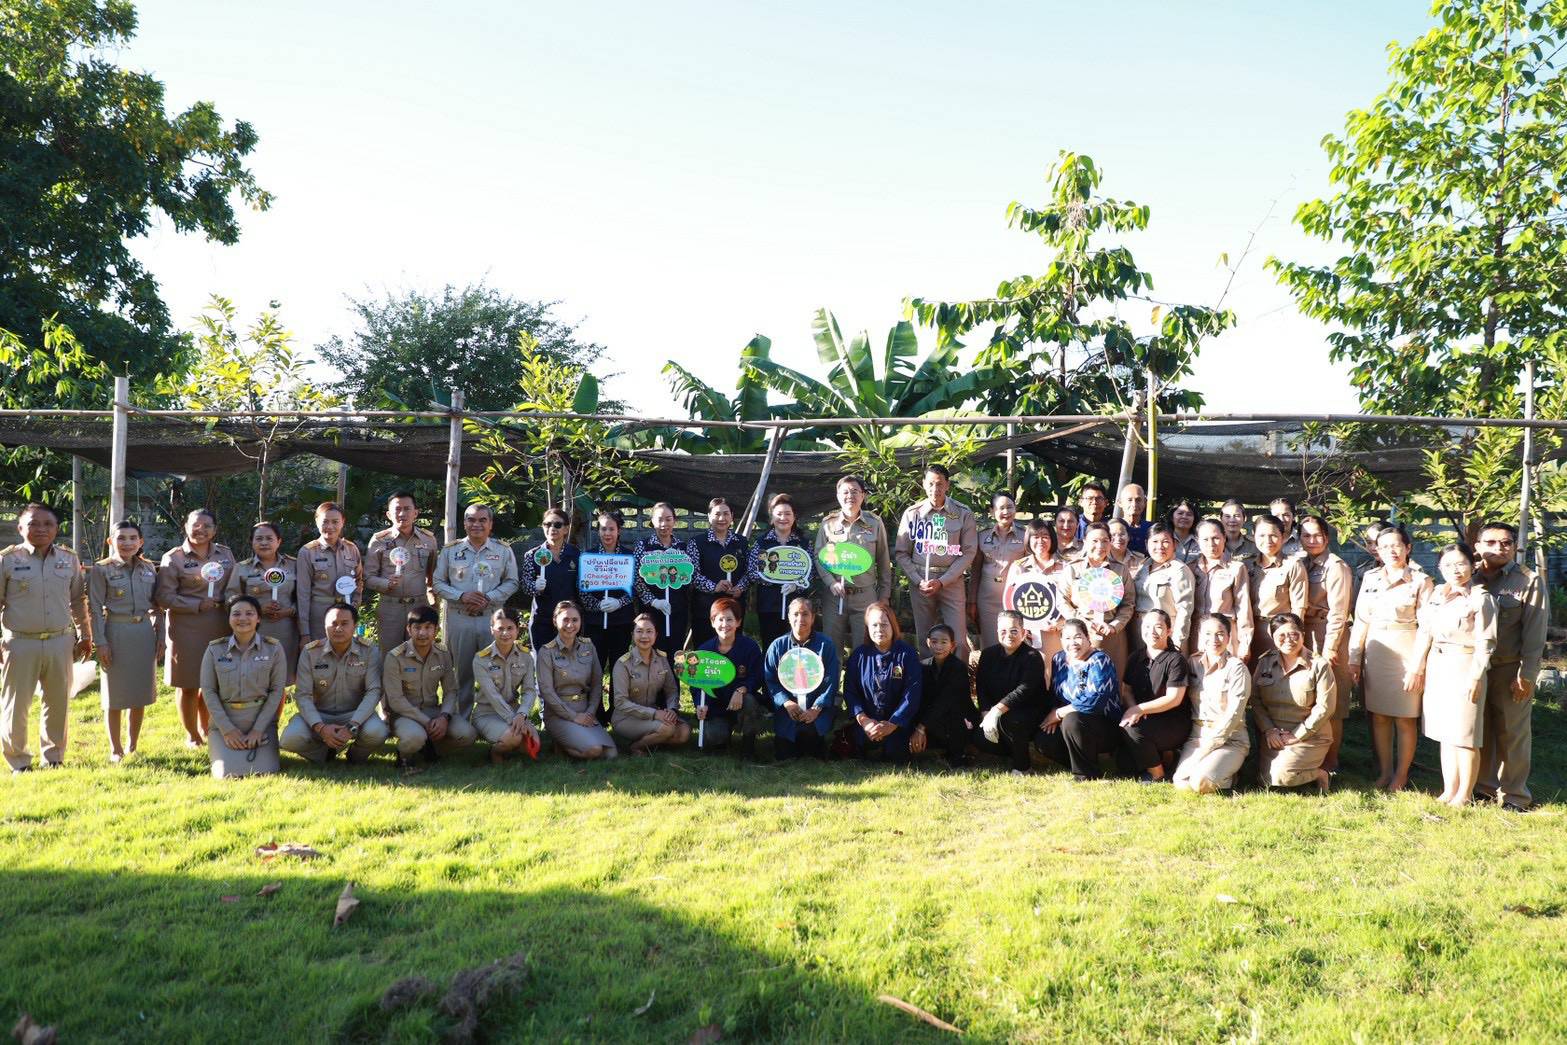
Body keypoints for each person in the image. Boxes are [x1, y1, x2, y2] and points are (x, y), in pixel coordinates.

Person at [1, 504, 89, 773]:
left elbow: (77, 600)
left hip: (60, 641)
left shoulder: (68, 558)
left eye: (47, 524)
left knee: (58, 702)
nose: (41, 529)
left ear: (56, 528)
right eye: (33, 523)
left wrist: (85, 634)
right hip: (19, 643)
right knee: (16, 705)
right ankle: (19, 761)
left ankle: (54, 757)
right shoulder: (7, 559)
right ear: (20, 528)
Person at [1408, 544, 1496, 807]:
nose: (1455, 570)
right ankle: (1449, 789)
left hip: (1466, 665)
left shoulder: (1481, 599)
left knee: (1465, 734)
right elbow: (1425, 632)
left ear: (1472, 565)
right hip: (1439, 665)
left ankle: (1465, 794)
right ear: (1440, 568)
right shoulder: (1436, 594)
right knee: (1445, 733)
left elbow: (1486, 642)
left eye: (1460, 564)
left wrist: (1476, 676)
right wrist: (1417, 666)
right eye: (1448, 565)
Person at [1348, 523, 1433, 792]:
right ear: (1377, 551)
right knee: (1379, 716)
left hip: (1407, 651)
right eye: (1384, 546)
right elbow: (1361, 620)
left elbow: (1427, 627)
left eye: (1397, 545)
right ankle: (1385, 772)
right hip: (1376, 651)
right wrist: (1354, 657)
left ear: (1408, 548)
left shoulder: (1421, 581)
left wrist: (1417, 666)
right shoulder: (1371, 578)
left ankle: (1401, 774)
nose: (1391, 551)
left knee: (1405, 718)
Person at [1473, 522, 1548, 811]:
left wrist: (1527, 675)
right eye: (1491, 542)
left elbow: (1535, 634)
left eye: (1505, 543)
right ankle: (1484, 789)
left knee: (1512, 734)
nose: (1499, 548)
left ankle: (1516, 796)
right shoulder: (1468, 576)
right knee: (1479, 730)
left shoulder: (1527, 581)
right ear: (1478, 545)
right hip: (1473, 669)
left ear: (1514, 546)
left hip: (1509, 669)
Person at [156, 508, 237, 748]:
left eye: (207, 526)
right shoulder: (174, 557)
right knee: (189, 684)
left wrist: (233, 603)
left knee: (214, 684)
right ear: (186, 526)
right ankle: (192, 735)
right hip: (186, 629)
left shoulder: (225, 554)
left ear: (215, 530)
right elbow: (163, 597)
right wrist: (196, 604)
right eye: (195, 525)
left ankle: (209, 728)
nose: (200, 530)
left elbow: (233, 586)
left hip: (221, 627)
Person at [432, 502, 519, 717]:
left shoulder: (503, 550)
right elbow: (437, 583)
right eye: (471, 519)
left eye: (482, 520)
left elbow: (512, 582)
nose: (476, 524)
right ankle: (460, 720)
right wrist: (462, 596)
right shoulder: (451, 550)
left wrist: (488, 598)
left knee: (496, 671)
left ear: (491, 524)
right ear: (464, 523)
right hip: (459, 618)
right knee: (461, 673)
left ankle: (495, 718)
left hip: (492, 620)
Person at [88, 520, 163, 763]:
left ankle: (133, 744)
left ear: (141, 542)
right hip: (116, 632)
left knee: (139, 692)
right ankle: (115, 748)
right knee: (115, 694)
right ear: (111, 541)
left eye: (133, 538)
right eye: (121, 538)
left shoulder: (149, 568)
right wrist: (101, 642)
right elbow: (95, 609)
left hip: (143, 632)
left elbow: (158, 607)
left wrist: (160, 637)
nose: (127, 543)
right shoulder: (102, 569)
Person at [280, 602, 390, 765]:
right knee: (289, 739)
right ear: (325, 626)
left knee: (378, 731)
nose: (338, 628)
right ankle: (324, 754)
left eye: (344, 624)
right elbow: (303, 695)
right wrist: (321, 728)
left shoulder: (369, 651)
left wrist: (352, 725)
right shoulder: (311, 652)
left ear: (354, 626)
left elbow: (374, 691)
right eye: (333, 624)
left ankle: (356, 755)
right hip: (320, 714)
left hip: (354, 714)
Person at [894, 464, 979, 661]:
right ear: (924, 484)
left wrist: (943, 581)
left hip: (951, 581)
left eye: (940, 484)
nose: (935, 489)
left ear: (948, 485)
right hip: (921, 583)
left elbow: (968, 553)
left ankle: (957, 685)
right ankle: (928, 683)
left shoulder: (962, 513)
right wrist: (917, 580)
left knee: (958, 637)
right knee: (925, 637)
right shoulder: (912, 514)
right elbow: (901, 553)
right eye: (931, 484)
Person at [199, 596, 287, 779]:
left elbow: (276, 691)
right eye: (236, 614)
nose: (243, 618)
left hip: (260, 722)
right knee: (225, 774)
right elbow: (208, 691)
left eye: (249, 613)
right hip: (226, 722)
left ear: (258, 618)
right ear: (229, 618)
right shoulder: (215, 650)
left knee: (267, 772)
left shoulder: (274, 649)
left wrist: (258, 729)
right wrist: (227, 730)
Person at [382, 604, 477, 765]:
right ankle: (404, 753)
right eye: (417, 628)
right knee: (415, 737)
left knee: (467, 734)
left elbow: (450, 691)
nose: (422, 633)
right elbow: (396, 700)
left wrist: (444, 717)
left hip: (433, 711)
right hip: (404, 715)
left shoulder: (443, 653)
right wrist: (426, 722)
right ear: (408, 629)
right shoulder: (395, 656)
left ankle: (429, 748)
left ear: (436, 630)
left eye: (428, 627)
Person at [1251, 613, 1335, 792]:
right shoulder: (1265, 662)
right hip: (1274, 737)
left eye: (1294, 634)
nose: (1288, 640)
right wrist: (1269, 730)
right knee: (1265, 780)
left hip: (1310, 736)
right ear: (1272, 637)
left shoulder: (1319, 665)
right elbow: (1256, 700)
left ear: (1303, 634)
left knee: (1281, 776)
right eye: (1281, 635)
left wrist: (1298, 734)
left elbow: (1325, 707)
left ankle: (1320, 774)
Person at [1034, 618, 1124, 781]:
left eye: (1077, 637)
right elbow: (1055, 692)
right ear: (1061, 640)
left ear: (1087, 638)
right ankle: (1081, 763)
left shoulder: (1099, 659)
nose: (1073, 642)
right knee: (1044, 739)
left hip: (1103, 723)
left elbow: (1096, 700)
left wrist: (1060, 713)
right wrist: (1054, 711)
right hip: (1072, 722)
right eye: (1067, 638)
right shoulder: (1058, 659)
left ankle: (1086, 774)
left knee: (1072, 720)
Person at [1172, 615, 1252, 794]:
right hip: (1197, 737)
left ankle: (1230, 776)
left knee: (1200, 782)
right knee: (1181, 783)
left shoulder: (1236, 668)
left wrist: (1210, 745)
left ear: (1229, 637)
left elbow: (1234, 713)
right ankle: (1219, 771)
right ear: (1200, 636)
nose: (1214, 640)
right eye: (1208, 634)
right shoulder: (1193, 663)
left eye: (1220, 634)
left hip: (1230, 739)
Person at [814, 475, 893, 654]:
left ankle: (859, 683)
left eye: (855, 491)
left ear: (863, 495)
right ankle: (833, 682)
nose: (850, 495)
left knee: (864, 648)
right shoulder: (828, 524)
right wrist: (830, 582)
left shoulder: (875, 523)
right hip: (835, 596)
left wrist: (884, 596)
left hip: (865, 596)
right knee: (831, 649)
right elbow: (819, 556)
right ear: (838, 495)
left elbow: (883, 560)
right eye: (845, 492)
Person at [1299, 514, 1354, 774]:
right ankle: (1310, 758)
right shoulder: (1302, 564)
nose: (1312, 540)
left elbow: (1339, 612)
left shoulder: (1336, 566)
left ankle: (1331, 762)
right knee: (1309, 698)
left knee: (1332, 701)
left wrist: (1331, 646)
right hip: (1303, 634)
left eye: (1317, 535)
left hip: (1327, 633)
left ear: (1327, 537)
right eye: (1306, 535)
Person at [844, 601, 922, 763]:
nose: (879, 630)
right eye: (874, 625)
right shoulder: (859, 655)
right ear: (867, 628)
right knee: (860, 748)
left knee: (895, 753)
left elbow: (912, 694)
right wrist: (864, 721)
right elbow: (850, 692)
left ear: (893, 626)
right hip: (867, 722)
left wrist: (892, 723)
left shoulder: (907, 654)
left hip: (897, 723)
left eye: (884, 624)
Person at [764, 595, 841, 760]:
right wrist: (786, 702)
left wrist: (817, 708)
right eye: (796, 614)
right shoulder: (777, 646)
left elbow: (831, 680)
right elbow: (770, 680)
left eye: (805, 614)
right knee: (785, 753)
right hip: (788, 711)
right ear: (789, 617)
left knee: (812, 743)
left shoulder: (825, 645)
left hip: (816, 710)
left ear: (813, 618)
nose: (800, 619)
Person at [1118, 609, 1190, 784]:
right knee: (1123, 763)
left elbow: (1174, 698)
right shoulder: (1135, 657)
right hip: (1145, 718)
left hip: (1172, 722)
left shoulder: (1175, 660)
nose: (1152, 631)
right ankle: (1166, 757)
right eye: (1147, 626)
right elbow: (1126, 690)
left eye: (1158, 627)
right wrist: (1134, 708)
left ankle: (1157, 773)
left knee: (1131, 729)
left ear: (1168, 631)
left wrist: (1139, 709)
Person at [537, 601, 616, 760]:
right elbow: (547, 692)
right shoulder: (547, 652)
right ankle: (561, 745)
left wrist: (590, 712)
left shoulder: (589, 647)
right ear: (555, 621)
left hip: (585, 711)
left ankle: (567, 742)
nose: (570, 625)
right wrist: (573, 717)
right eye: (565, 619)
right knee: (594, 750)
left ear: (580, 621)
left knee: (611, 754)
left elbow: (596, 683)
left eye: (575, 620)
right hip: (558, 714)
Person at [973, 610, 1047, 773]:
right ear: (997, 632)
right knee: (978, 736)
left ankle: (1023, 767)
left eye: (1014, 631)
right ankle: (1012, 751)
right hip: (996, 711)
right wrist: (986, 712)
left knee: (1013, 720)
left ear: (1023, 632)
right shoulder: (988, 654)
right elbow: (981, 685)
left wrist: (996, 711)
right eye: (1003, 631)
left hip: (1028, 710)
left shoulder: (1032, 656)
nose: (1009, 635)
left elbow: (1024, 689)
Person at [364, 491, 439, 653]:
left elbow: (433, 576)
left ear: (416, 513)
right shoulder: (379, 540)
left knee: (419, 655)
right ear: (389, 514)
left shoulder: (428, 540)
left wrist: (434, 606)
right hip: (390, 608)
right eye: (397, 509)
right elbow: (367, 577)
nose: (402, 514)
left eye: (407, 509)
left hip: (420, 606)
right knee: (390, 656)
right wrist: (385, 583)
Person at [226, 521, 301, 684]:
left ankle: (276, 710)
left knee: (280, 678)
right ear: (252, 542)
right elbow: (231, 599)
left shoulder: (294, 565)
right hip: (253, 631)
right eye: (259, 539)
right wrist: (256, 610)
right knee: (255, 677)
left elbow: (303, 596)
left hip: (286, 630)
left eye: (269, 538)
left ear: (279, 541)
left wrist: (289, 611)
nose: (264, 543)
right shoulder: (241, 568)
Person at [579, 508, 636, 717]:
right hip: (595, 622)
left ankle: (616, 710)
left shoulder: (629, 556)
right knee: (595, 668)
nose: (607, 533)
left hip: (621, 622)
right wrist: (596, 606)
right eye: (603, 529)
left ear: (619, 530)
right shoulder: (589, 557)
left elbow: (634, 588)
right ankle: (595, 711)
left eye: (611, 529)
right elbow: (582, 590)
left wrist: (618, 602)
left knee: (619, 668)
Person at [695, 596, 767, 756]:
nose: (725, 624)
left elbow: (757, 676)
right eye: (720, 619)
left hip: (742, 702)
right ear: (712, 622)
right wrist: (700, 705)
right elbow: (696, 683)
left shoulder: (750, 647)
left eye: (730, 619)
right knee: (714, 738)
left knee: (749, 700)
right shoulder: (704, 651)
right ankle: (723, 736)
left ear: (738, 622)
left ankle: (748, 746)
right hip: (716, 707)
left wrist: (742, 689)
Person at [611, 613, 690, 754]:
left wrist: (672, 709)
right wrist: (654, 714)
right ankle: (636, 747)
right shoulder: (623, 664)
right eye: (639, 631)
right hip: (627, 718)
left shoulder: (661, 659)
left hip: (655, 715)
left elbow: (671, 690)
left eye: (649, 631)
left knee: (684, 732)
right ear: (632, 635)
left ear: (656, 634)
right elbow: (620, 702)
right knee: (668, 729)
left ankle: (651, 741)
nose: (644, 636)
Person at [472, 606, 542, 763]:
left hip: (515, 711)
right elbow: (492, 696)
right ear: (492, 630)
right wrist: (514, 719)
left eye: (510, 628)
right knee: (514, 738)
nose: (505, 633)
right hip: (487, 712)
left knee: (533, 743)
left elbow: (529, 691)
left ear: (517, 630)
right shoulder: (481, 659)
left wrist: (522, 715)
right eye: (500, 628)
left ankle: (508, 740)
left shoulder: (525, 657)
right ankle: (495, 752)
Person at [1000, 520, 1075, 664]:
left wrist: (1061, 623)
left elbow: (1074, 601)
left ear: (1052, 539)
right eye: (1035, 536)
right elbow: (1009, 602)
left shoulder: (1066, 566)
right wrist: (1022, 627)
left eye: (1045, 536)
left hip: (1058, 632)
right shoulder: (1018, 567)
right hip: (1027, 635)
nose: (1040, 541)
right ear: (1028, 539)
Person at [1064, 521, 1133, 674]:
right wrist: (1081, 623)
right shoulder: (1072, 569)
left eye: (1105, 541)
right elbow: (1062, 600)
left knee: (1113, 679)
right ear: (1085, 542)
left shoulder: (1120, 570)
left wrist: (1115, 625)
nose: (1100, 546)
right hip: (1080, 635)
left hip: (1112, 635)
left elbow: (1128, 603)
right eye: (1094, 541)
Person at [748, 493, 813, 650]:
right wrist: (771, 579)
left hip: (796, 605)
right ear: (771, 518)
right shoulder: (762, 543)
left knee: (796, 646)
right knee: (770, 645)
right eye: (779, 514)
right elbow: (752, 571)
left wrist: (796, 585)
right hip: (769, 604)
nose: (783, 518)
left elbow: (811, 572)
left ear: (794, 517)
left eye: (787, 514)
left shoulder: (803, 543)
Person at [296, 501, 364, 644]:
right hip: (319, 618)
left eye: (335, 522)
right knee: (320, 660)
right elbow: (302, 595)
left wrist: (354, 606)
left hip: (346, 616)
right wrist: (304, 632)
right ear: (316, 521)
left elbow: (359, 581)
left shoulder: (351, 549)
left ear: (343, 522)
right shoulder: (307, 552)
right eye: (325, 521)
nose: (330, 527)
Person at [969, 493, 1028, 656]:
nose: (1006, 512)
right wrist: (972, 601)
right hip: (987, 600)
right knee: (990, 645)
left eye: (1010, 507)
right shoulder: (982, 536)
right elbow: (975, 572)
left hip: (1015, 600)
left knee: (1015, 643)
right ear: (992, 511)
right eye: (1001, 508)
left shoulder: (1026, 535)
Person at [634, 501, 695, 659]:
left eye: (668, 519)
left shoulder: (682, 547)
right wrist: (653, 601)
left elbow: (689, 576)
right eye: (659, 519)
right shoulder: (644, 546)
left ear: (674, 520)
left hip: (677, 610)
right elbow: (636, 578)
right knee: (651, 653)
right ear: (652, 521)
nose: (664, 524)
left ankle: (673, 683)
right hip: (651, 611)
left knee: (675, 652)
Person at [912, 623, 977, 768]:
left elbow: (947, 700)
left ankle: (959, 755)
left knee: (955, 720)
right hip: (933, 717)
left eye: (944, 642)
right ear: (928, 643)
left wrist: (921, 728)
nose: (938, 646)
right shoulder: (923, 666)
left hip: (957, 717)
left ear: (952, 645)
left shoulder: (959, 667)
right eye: (934, 642)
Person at [688, 498, 750, 648]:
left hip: (734, 610)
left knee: (733, 649)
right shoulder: (696, 543)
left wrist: (740, 587)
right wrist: (713, 586)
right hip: (705, 609)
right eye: (717, 514)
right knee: (705, 651)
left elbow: (750, 571)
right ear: (709, 516)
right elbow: (691, 574)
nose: (722, 518)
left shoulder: (741, 542)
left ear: (732, 516)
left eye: (726, 514)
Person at [1190, 518, 1254, 660]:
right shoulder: (1190, 568)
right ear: (1197, 541)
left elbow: (1243, 609)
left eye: (1216, 538)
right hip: (1197, 635)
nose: (1211, 544)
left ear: (1224, 538)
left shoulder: (1236, 568)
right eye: (1205, 539)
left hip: (1225, 636)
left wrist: (1245, 643)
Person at [519, 507, 581, 650]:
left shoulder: (576, 554)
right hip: (542, 620)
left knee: (567, 665)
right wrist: (535, 587)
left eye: (557, 525)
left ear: (566, 529)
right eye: (547, 524)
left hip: (568, 621)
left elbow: (581, 586)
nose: (552, 528)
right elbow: (526, 586)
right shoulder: (533, 555)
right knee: (542, 664)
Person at [1248, 513, 1308, 659]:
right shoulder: (1246, 565)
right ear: (1253, 536)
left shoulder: (1293, 565)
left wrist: (1293, 636)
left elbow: (1299, 607)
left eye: (1273, 535)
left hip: (1279, 632)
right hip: (1249, 632)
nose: (1268, 540)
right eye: (1261, 535)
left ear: (1283, 537)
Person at [1130, 522, 1196, 656]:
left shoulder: (1179, 570)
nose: (1160, 547)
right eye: (1154, 541)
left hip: (1166, 638)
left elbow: (1185, 610)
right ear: (1146, 544)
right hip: (1140, 634)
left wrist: (1177, 642)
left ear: (1174, 544)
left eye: (1165, 542)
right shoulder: (1142, 567)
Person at [1115, 483, 1151, 555]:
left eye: (1138, 500)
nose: (1134, 504)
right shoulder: (1111, 528)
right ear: (1120, 503)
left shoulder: (1151, 529)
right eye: (1129, 500)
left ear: (1145, 502)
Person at [1166, 498, 1201, 565]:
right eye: (1180, 513)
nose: (1184, 517)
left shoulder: (1200, 541)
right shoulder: (1164, 539)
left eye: (1189, 514)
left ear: (1194, 519)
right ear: (1172, 517)